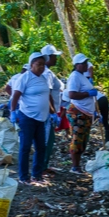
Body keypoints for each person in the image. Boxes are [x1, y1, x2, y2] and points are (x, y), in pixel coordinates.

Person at [10, 52, 55, 184]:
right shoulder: (24, 78)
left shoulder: (44, 78)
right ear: (31, 65)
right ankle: (24, 177)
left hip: (41, 118)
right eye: (38, 64)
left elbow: (48, 97)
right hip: (27, 117)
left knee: (41, 147)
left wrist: (53, 113)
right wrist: (13, 112)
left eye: (43, 64)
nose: (41, 67)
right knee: (25, 147)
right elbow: (16, 96)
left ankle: (37, 175)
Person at [65, 53, 99, 174]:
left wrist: (95, 111)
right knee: (77, 139)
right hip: (78, 111)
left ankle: (77, 165)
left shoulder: (82, 76)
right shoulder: (74, 76)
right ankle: (75, 166)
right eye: (83, 63)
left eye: (86, 63)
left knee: (83, 139)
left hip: (86, 112)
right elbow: (72, 94)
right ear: (77, 65)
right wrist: (88, 94)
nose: (86, 65)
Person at [40, 44, 64, 173]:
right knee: (47, 139)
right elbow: (47, 93)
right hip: (48, 111)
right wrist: (53, 112)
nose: (56, 59)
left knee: (48, 138)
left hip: (48, 110)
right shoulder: (47, 73)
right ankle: (42, 167)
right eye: (54, 56)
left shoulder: (46, 71)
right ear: (48, 57)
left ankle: (44, 165)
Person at [86, 62, 109, 142]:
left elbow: (91, 102)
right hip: (104, 99)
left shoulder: (86, 89)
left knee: (89, 120)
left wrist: (96, 113)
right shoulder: (88, 87)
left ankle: (85, 138)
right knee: (105, 121)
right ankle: (108, 139)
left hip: (99, 101)